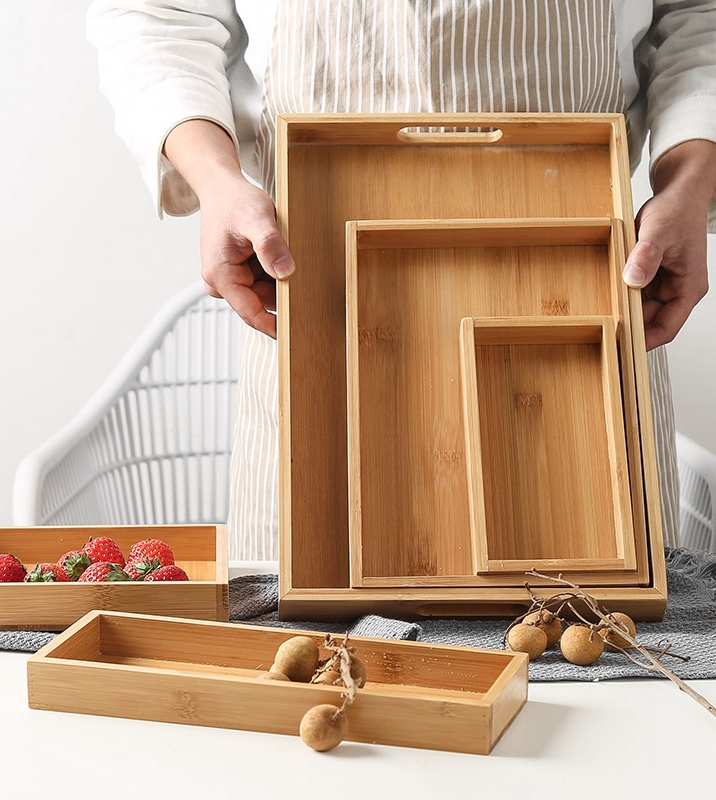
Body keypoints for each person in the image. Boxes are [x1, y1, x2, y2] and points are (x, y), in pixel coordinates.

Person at [86, 1, 716, 560]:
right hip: (317, 287)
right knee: (319, 655)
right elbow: (156, 15)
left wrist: (689, 187)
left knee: (607, 659)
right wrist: (218, 181)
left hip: (580, 298)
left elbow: (701, 18)